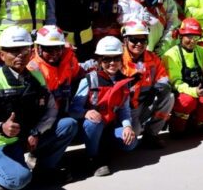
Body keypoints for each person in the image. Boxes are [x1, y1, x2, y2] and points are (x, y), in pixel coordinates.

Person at [0, 26, 77, 189]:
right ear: (2, 54)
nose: (20, 55)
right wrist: (1, 127)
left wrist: (37, 131)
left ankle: (42, 169)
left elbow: (51, 110)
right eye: (13, 51)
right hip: (1, 143)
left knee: (68, 125)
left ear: (31, 51)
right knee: (19, 180)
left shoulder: (36, 76)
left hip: (28, 137)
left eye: (24, 50)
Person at [70, 36, 138, 177]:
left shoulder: (123, 81)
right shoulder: (89, 80)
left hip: (110, 126)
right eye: (107, 59)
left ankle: (103, 145)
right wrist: (85, 113)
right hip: (90, 127)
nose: (112, 63)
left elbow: (124, 110)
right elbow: (73, 109)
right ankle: (93, 157)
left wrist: (127, 126)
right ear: (99, 60)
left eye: (116, 59)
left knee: (131, 144)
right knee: (94, 121)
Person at [120, 20, 174, 148]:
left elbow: (164, 78)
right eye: (134, 40)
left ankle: (151, 135)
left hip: (145, 102)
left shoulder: (153, 58)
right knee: (133, 135)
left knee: (169, 97)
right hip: (127, 108)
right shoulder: (118, 58)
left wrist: (157, 88)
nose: (139, 44)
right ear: (126, 40)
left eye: (143, 40)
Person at [161, 18, 203, 134]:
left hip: (197, 93)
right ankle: (176, 127)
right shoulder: (170, 55)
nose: (193, 41)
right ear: (180, 36)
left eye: (196, 37)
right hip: (180, 95)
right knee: (187, 102)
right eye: (189, 37)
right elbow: (175, 82)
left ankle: (192, 123)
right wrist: (193, 91)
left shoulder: (201, 51)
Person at [27, 26, 86, 118]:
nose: (54, 53)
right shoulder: (33, 68)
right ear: (39, 48)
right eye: (49, 49)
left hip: (65, 109)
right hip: (43, 115)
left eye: (58, 48)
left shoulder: (69, 60)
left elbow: (79, 74)